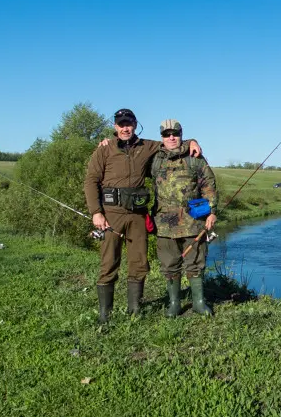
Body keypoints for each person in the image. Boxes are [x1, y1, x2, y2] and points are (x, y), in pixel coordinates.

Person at [84, 108, 201, 323]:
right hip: (111, 215)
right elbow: (91, 181)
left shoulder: (147, 147)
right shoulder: (104, 150)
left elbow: (171, 143)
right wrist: (96, 212)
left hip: (138, 215)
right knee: (108, 262)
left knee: (139, 263)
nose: (125, 128)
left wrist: (192, 141)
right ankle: (104, 314)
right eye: (121, 124)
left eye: (128, 123)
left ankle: (134, 310)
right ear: (115, 127)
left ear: (135, 125)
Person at [151, 119, 217, 317]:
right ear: (161, 137)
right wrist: (107, 142)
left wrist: (212, 212)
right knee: (169, 263)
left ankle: (198, 302)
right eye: (166, 134)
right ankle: (174, 303)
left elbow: (209, 185)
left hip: (193, 220)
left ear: (181, 134)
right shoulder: (154, 157)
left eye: (175, 133)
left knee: (195, 262)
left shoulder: (195, 157)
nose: (171, 137)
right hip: (164, 222)